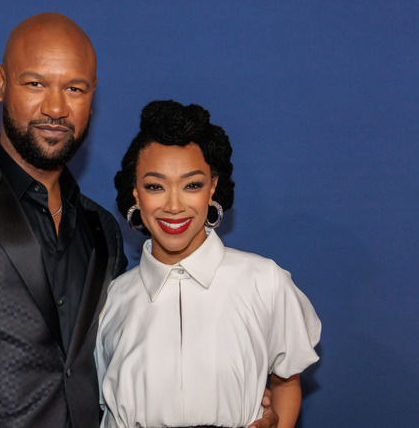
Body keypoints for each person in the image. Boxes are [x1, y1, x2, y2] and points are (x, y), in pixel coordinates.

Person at [0, 13, 279, 428]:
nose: (56, 107)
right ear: (1, 83)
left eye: (74, 88)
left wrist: (235, 395)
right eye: (36, 83)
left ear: (92, 96)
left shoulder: (104, 229)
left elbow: (128, 358)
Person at [96, 100, 321, 428]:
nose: (174, 205)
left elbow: (287, 382)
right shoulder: (116, 298)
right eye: (155, 186)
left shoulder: (263, 281)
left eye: (192, 185)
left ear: (212, 186)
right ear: (136, 193)